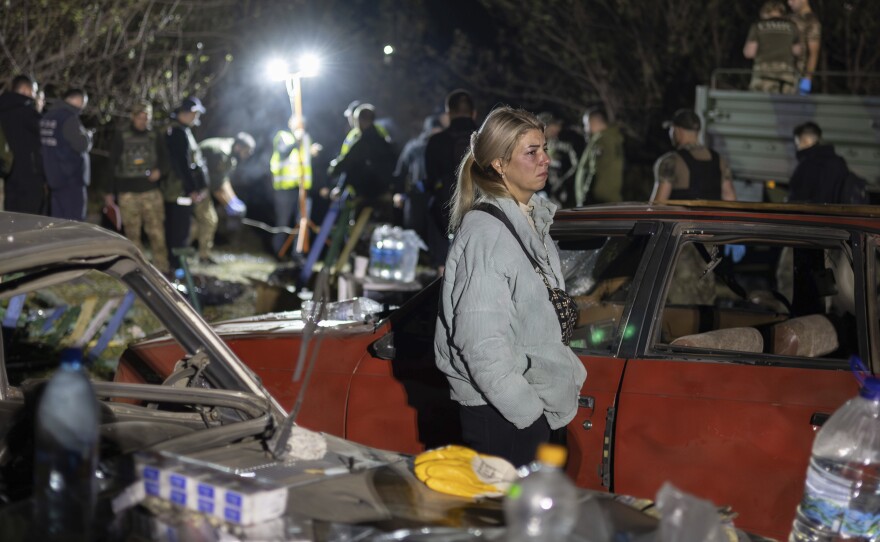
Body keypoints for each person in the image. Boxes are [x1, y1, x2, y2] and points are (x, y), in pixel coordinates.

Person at [434, 106, 587, 467]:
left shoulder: (530, 218)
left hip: (534, 408)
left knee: (535, 516)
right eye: (531, 152)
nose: (545, 160)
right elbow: (480, 344)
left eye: (545, 149)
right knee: (508, 517)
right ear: (499, 164)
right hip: (505, 416)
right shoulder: (486, 234)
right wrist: (528, 414)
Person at [105, 101, 171, 273]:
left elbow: (166, 160)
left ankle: (162, 269)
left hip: (150, 192)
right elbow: (111, 164)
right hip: (127, 193)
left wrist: (159, 171)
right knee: (132, 235)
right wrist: (109, 191)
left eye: (146, 117)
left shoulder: (155, 135)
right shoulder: (122, 135)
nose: (144, 121)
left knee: (157, 233)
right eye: (140, 117)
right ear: (133, 117)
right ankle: (139, 271)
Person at [425, 89, 478, 269]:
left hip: (445, 214)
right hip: (482, 213)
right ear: (474, 112)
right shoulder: (488, 139)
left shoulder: (436, 142)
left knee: (444, 264)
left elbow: (430, 181)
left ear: (448, 114)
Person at [328, 104, 397, 223]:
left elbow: (346, 164)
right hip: (384, 195)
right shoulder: (384, 140)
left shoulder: (361, 143)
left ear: (360, 121)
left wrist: (333, 169)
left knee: (360, 236)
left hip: (364, 197)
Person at [195, 132, 255, 263]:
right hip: (193, 187)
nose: (247, 155)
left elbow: (223, 180)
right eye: (247, 151)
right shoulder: (221, 153)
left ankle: (200, 254)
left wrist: (233, 200)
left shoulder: (230, 151)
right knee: (208, 220)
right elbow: (216, 185)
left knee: (204, 221)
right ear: (239, 147)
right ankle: (200, 256)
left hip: (201, 185)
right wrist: (228, 204)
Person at [651, 109, 736, 202]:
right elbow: (730, 198)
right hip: (712, 216)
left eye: (671, 129)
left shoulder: (671, 161)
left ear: (677, 130)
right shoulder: (720, 160)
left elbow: (659, 205)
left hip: (681, 217)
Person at [163, 96, 209, 271]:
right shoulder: (178, 133)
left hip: (180, 191)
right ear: (186, 113)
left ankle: (178, 267)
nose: (197, 117)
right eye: (195, 113)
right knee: (179, 231)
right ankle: (177, 269)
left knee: (183, 229)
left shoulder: (182, 130)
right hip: (178, 192)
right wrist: (192, 189)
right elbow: (181, 164)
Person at [40, 88, 93, 221]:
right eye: (83, 103)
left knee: (58, 223)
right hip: (71, 181)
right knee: (75, 224)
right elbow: (82, 144)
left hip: (54, 179)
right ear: (78, 100)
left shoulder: (47, 117)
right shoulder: (69, 118)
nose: (82, 108)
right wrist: (89, 136)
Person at [270, 116, 318, 257]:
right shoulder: (283, 137)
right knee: (283, 223)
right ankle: (278, 253)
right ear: (290, 124)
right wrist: (296, 142)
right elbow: (283, 153)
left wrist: (313, 151)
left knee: (303, 222)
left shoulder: (307, 138)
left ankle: (298, 255)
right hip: (285, 188)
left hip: (303, 187)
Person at [0, 75, 46, 214]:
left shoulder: (3, 109)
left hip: (8, 173)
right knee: (30, 222)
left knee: (12, 220)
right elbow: (43, 131)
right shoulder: (28, 113)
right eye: (34, 91)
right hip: (30, 177)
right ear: (26, 90)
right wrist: (38, 110)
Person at [394, 114, 444, 238]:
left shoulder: (444, 146)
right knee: (413, 234)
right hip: (415, 197)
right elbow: (401, 172)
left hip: (437, 198)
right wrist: (398, 193)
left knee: (435, 236)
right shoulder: (414, 148)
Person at [743, 1, 801, 94]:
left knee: (761, 106)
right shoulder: (792, 26)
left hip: (763, 74)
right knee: (787, 106)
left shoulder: (758, 26)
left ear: (765, 12)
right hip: (786, 74)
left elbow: (750, 53)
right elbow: (797, 51)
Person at [788, 121, 848, 203]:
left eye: (798, 144)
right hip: (835, 214)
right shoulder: (839, 162)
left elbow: (798, 198)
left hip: (812, 214)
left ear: (805, 141)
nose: (797, 148)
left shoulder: (807, 165)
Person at [574, 108, 624, 205]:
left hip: (598, 201)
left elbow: (596, 169)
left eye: (586, 124)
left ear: (593, 122)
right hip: (605, 199)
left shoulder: (602, 140)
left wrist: (586, 196)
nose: (585, 128)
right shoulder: (611, 138)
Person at [537, 112, 578, 208]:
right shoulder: (533, 145)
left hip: (553, 191)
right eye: (555, 126)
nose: (558, 129)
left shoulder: (552, 143)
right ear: (545, 126)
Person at [788, 0, 821, 95]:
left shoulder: (811, 21)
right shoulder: (789, 18)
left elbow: (813, 53)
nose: (789, 3)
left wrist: (807, 80)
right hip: (782, 73)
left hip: (797, 76)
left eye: (793, 0)